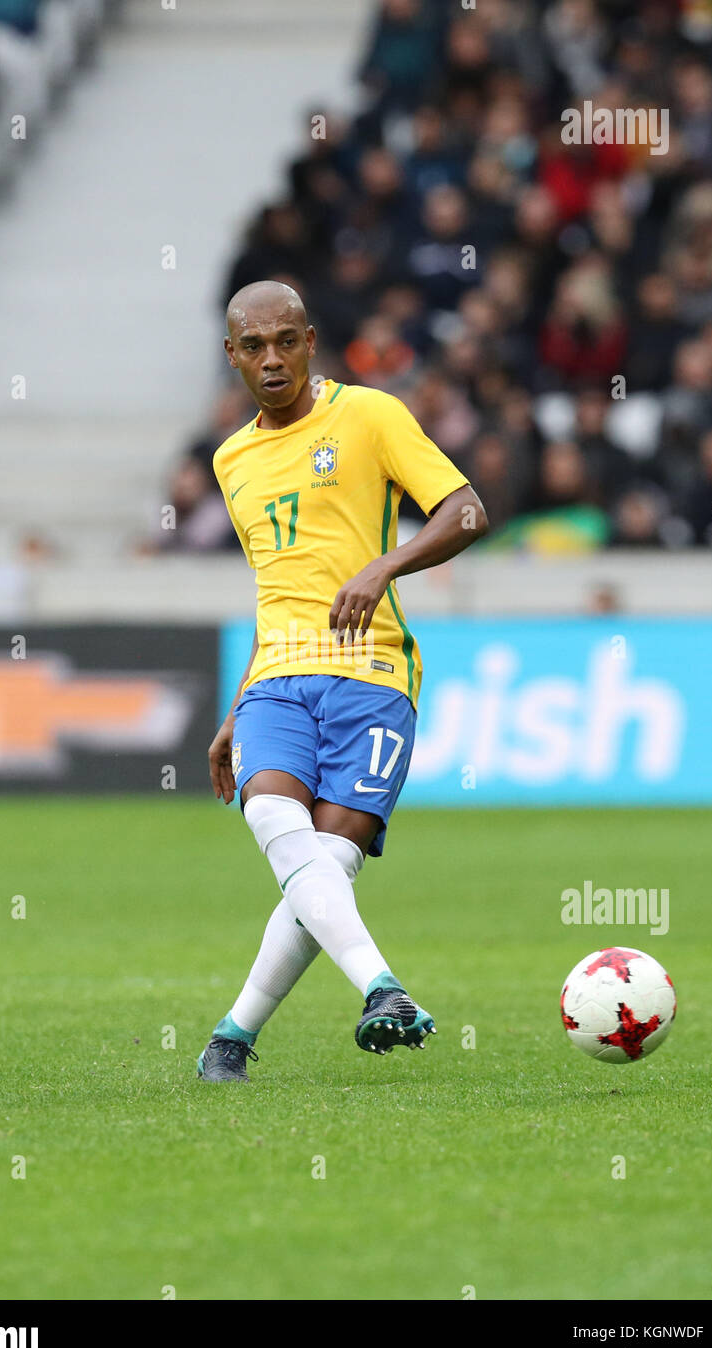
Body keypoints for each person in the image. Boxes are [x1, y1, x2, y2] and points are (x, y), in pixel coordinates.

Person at [198, 279, 488, 1082]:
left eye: (286, 340)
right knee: (276, 828)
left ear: (311, 341)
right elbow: (274, 589)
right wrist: (234, 711)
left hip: (373, 674)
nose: (271, 358)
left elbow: (466, 511)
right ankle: (383, 989)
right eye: (253, 346)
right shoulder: (231, 460)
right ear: (232, 355)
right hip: (279, 678)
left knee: (323, 865)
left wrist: (384, 564)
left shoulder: (371, 415)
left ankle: (231, 1038)